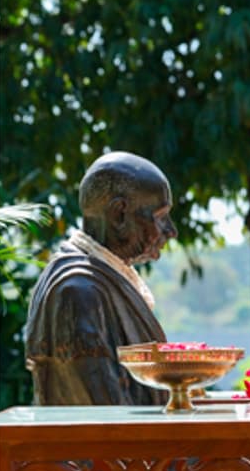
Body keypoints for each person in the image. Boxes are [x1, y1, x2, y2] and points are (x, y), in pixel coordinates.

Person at [24, 151, 179, 405]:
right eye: (160, 217)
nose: (171, 231)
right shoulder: (79, 292)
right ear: (119, 214)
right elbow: (107, 417)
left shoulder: (100, 280)